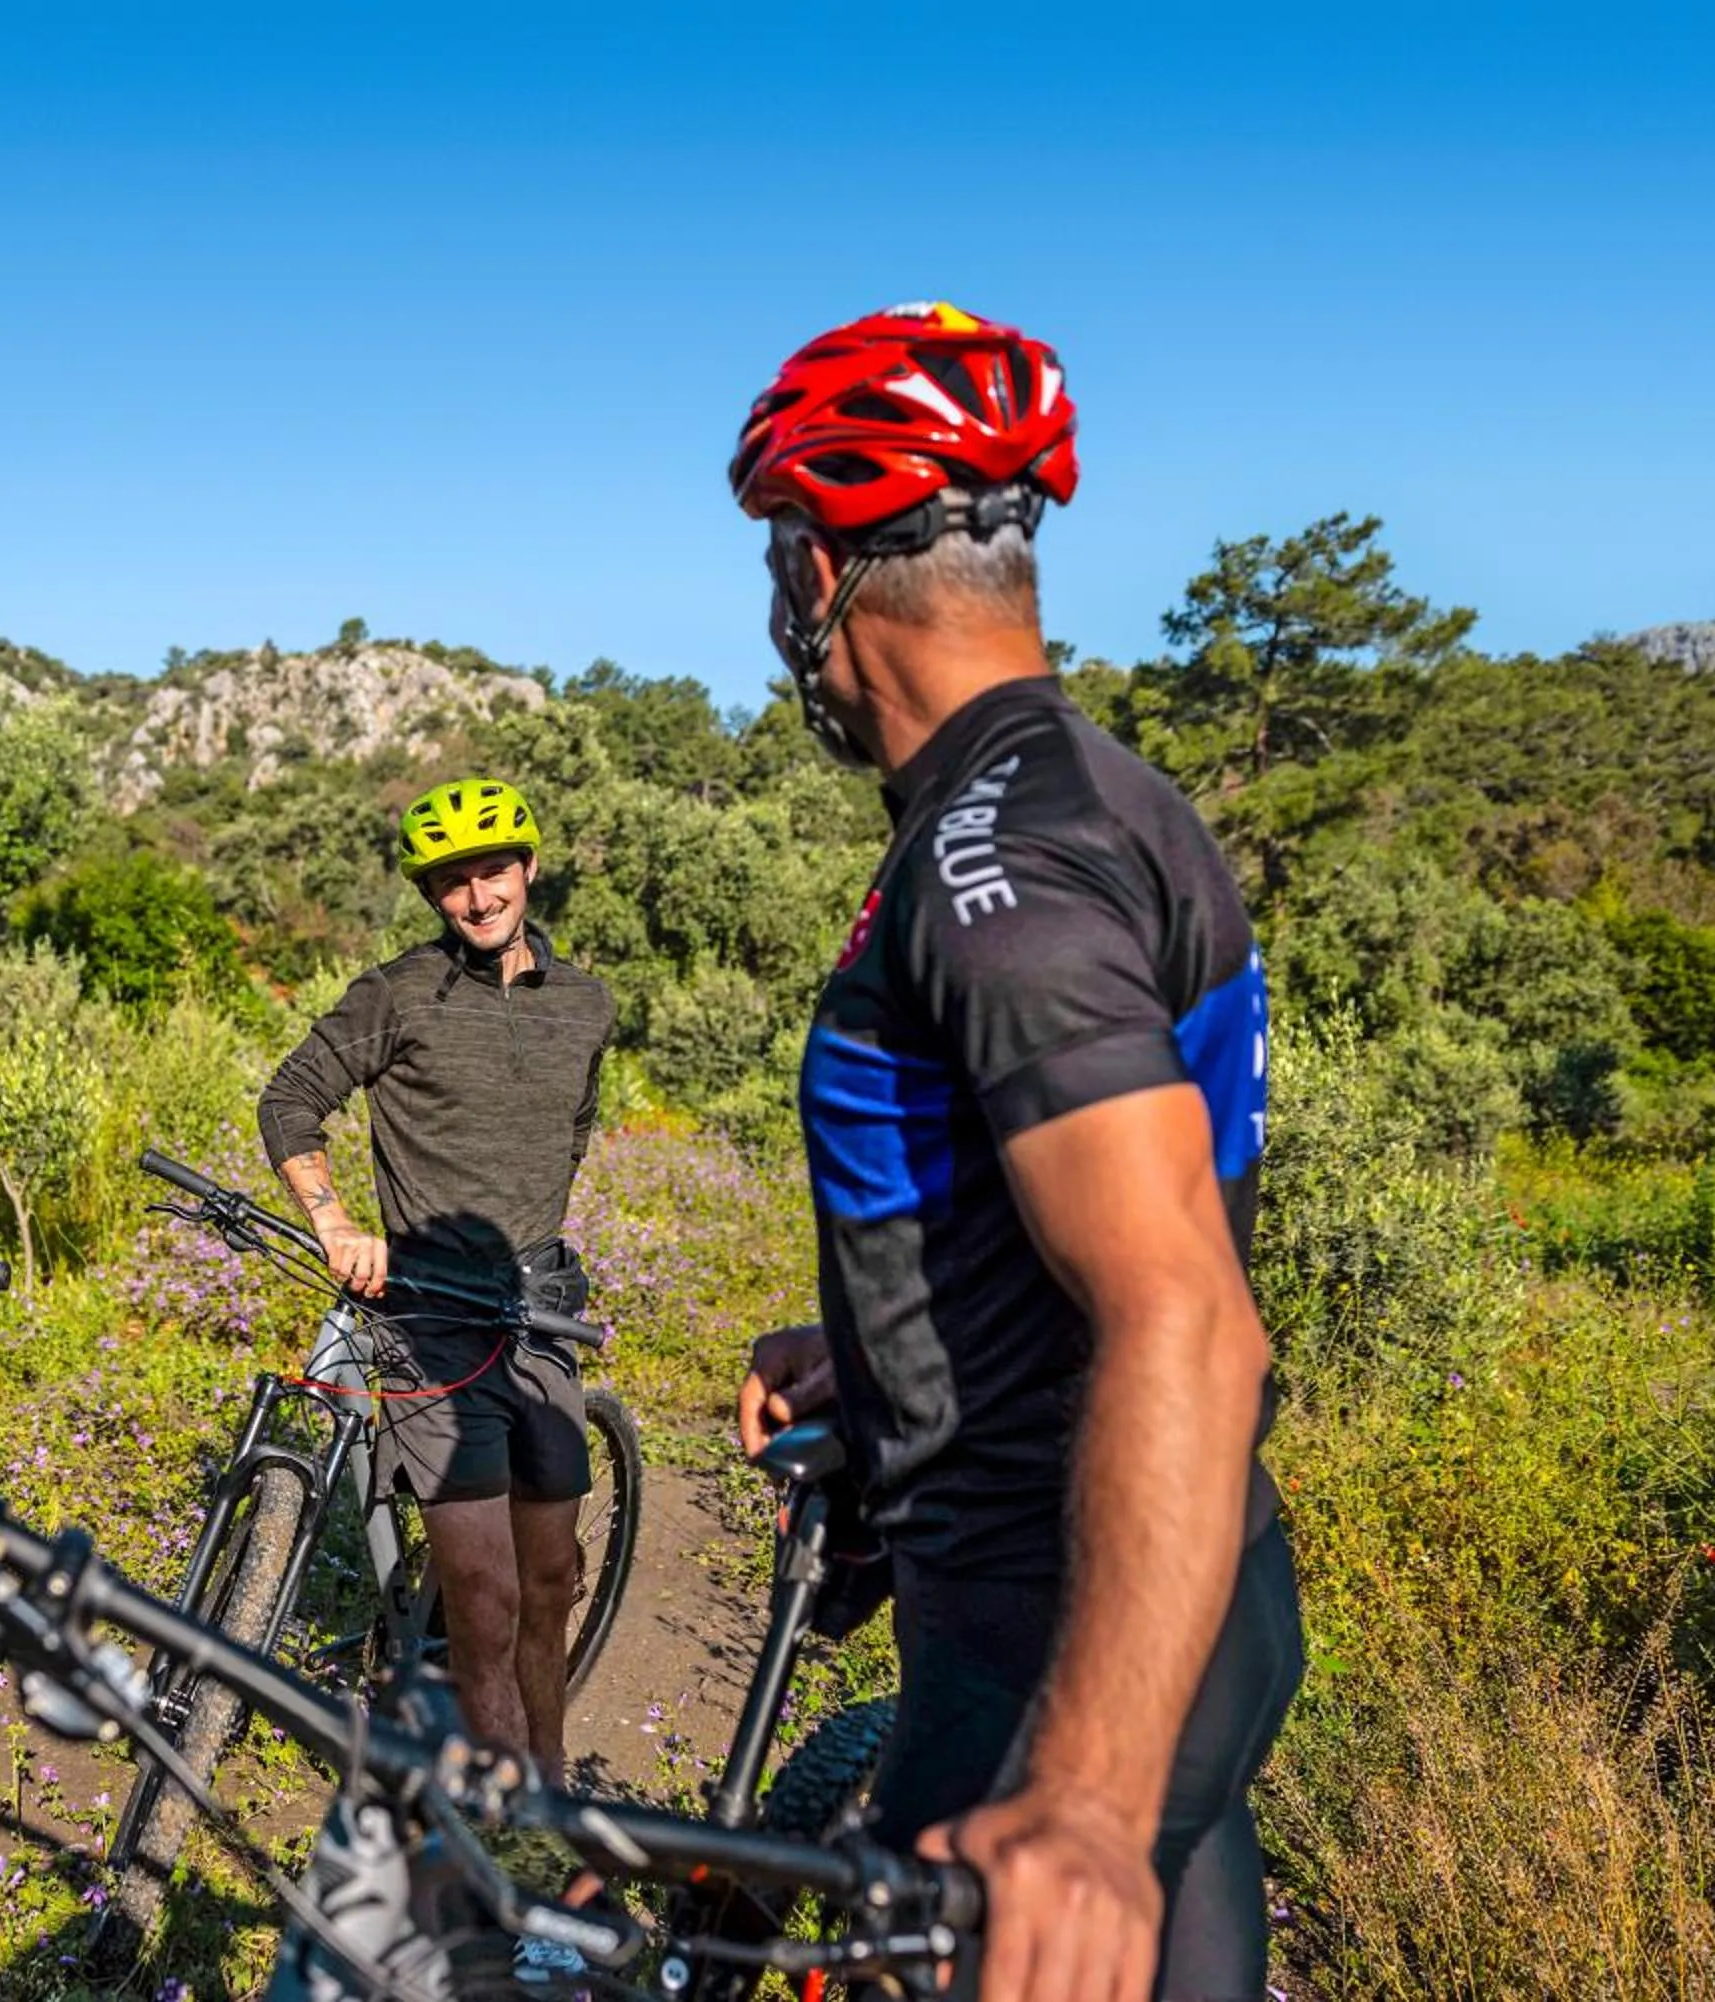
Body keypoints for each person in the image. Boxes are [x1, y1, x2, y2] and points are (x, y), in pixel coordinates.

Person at [726, 303, 1302, 2002]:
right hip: (1189, 1595)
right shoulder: (1099, 796)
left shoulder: (996, 873)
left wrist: (1085, 1802)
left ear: (815, 568)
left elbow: (1181, 1309)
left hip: (1050, 1644)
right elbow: (1076, 1204)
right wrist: (874, 1344)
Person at [255, 777, 617, 1978]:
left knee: (551, 1577)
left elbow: (570, 1132)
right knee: (486, 1593)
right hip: (428, 1323)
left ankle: (545, 1786)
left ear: (528, 868)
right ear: (431, 893)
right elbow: (289, 1100)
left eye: (493, 868)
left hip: (540, 1310)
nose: (477, 892)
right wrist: (334, 1220)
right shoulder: (398, 994)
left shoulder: (588, 1004)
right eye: (452, 878)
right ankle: (503, 1851)